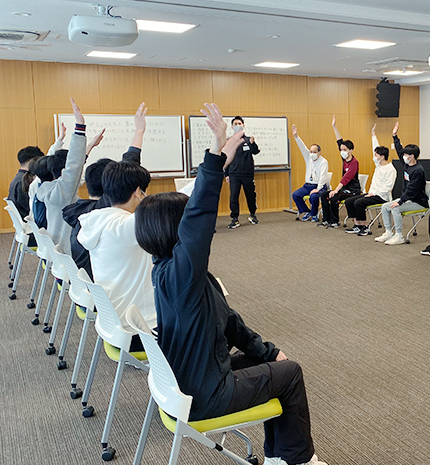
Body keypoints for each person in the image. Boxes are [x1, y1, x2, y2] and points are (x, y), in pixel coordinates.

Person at [134, 103, 326, 465]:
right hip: (204, 395)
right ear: (178, 231)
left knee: (272, 363)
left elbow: (230, 322)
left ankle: (280, 457)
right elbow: (199, 216)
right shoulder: (179, 275)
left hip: (196, 377)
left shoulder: (176, 273)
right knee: (291, 374)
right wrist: (217, 154)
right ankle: (297, 460)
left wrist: (268, 351)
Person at [77, 115, 156, 345]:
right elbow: (182, 203)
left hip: (113, 324)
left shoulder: (96, 220)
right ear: (138, 193)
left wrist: (139, 133)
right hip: (141, 332)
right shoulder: (125, 227)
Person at [63, 102, 146, 278]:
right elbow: (130, 163)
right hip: (104, 286)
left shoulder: (81, 213)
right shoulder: (109, 215)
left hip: (84, 286)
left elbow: (73, 167)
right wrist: (139, 132)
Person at [35, 98, 90, 256]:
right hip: (69, 253)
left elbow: (75, 169)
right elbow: (74, 166)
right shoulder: (61, 193)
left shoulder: (47, 188)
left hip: (58, 253)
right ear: (64, 170)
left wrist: (90, 146)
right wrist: (79, 127)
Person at [375, 122, 428, 245]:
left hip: (418, 202)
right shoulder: (406, 164)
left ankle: (399, 235)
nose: (403, 156)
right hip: (408, 199)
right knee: (385, 207)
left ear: (412, 156)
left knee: (395, 208)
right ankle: (388, 232)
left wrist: (400, 201)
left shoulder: (418, 171)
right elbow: (399, 150)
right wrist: (395, 136)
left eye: (406, 155)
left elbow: (412, 190)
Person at [343, 124, 397, 236]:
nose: (374, 156)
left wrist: (374, 194)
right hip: (372, 193)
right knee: (349, 201)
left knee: (359, 202)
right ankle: (357, 225)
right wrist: (373, 135)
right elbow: (375, 147)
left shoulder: (391, 169)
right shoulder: (379, 165)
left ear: (382, 157)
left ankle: (364, 227)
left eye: (376, 155)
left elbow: (388, 187)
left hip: (382, 196)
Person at [319, 115, 361, 228]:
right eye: (341, 150)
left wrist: (336, 190)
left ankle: (335, 221)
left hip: (352, 190)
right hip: (344, 189)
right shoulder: (344, 158)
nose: (342, 151)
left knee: (334, 196)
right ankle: (326, 219)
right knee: (323, 194)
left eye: (345, 150)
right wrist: (334, 127)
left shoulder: (354, 163)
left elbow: (346, 178)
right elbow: (339, 141)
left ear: (351, 150)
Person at [225, 116, 260, 229]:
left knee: (250, 195)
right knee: (233, 197)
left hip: (247, 173)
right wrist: (226, 174)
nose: (237, 125)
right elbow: (226, 158)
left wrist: (252, 144)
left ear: (243, 125)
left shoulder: (248, 140)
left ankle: (253, 215)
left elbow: (255, 151)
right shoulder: (229, 141)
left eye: (239, 123)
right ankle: (234, 219)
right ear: (232, 127)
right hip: (234, 173)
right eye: (235, 124)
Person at [291, 124, 329, 222]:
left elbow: (323, 178)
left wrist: (318, 189)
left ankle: (314, 214)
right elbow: (302, 147)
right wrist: (296, 136)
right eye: (311, 151)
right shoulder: (308, 157)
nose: (312, 154)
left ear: (319, 152)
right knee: (296, 195)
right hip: (308, 185)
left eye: (314, 152)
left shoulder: (323, 162)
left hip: (319, 186)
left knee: (314, 196)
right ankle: (307, 211)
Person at [8, 145, 44, 220]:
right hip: (29, 221)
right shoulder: (25, 181)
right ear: (32, 161)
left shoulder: (17, 178)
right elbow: (32, 207)